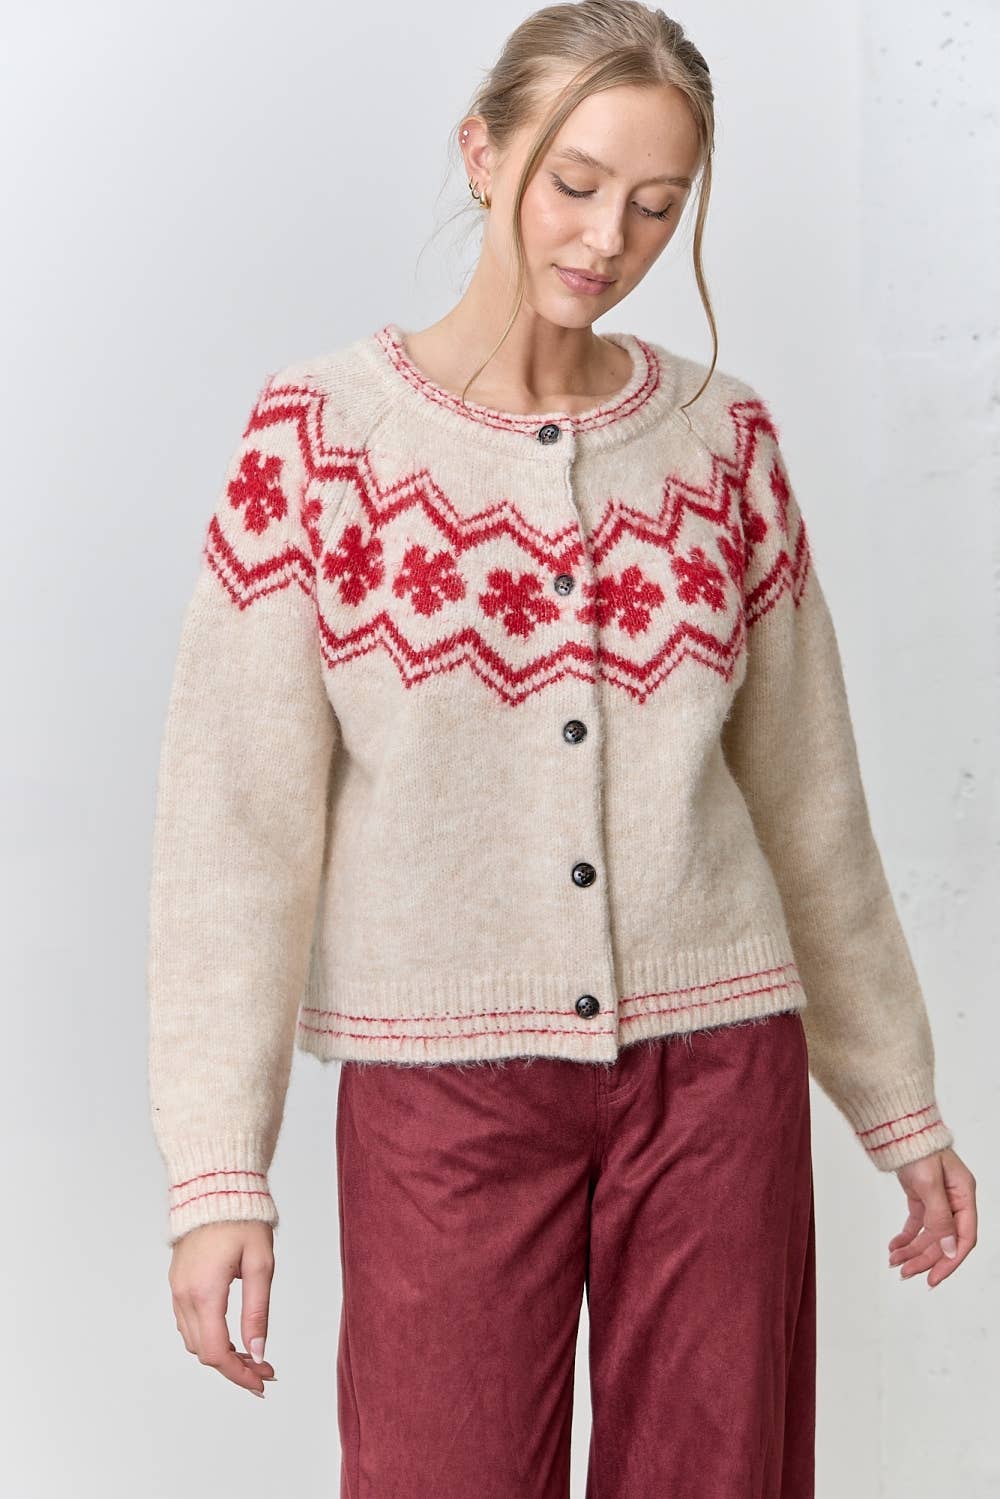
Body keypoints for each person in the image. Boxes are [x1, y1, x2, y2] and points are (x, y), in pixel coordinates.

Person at [146, 2, 979, 1493]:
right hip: (439, 1086)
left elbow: (812, 806)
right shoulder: (319, 443)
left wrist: (898, 1101)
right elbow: (234, 834)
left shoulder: (723, 443)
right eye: (575, 183)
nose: (609, 239)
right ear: (483, 153)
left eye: (658, 205)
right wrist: (219, 1173)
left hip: (716, 1075)